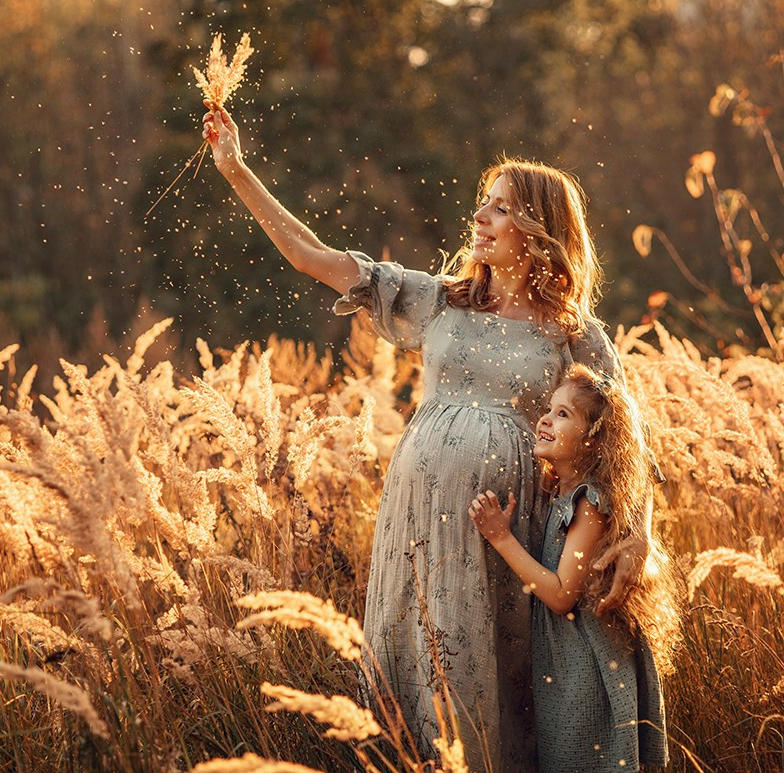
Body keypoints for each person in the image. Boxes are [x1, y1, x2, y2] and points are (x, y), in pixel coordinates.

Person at [202, 103, 654, 772]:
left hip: (509, 533)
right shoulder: (438, 299)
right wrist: (236, 170)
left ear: (537, 229)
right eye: (482, 203)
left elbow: (627, 445)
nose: (480, 218)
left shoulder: (572, 334)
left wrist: (637, 534)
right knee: (417, 667)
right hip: (417, 523)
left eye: (499, 208)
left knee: (497, 685)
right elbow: (311, 258)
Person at [469, 364, 678, 773]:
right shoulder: (562, 493)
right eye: (549, 409)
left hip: (585, 663)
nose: (545, 418)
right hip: (565, 657)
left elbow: (563, 593)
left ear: (594, 440)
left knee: (581, 758)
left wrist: (501, 537)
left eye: (564, 414)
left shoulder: (588, 502)